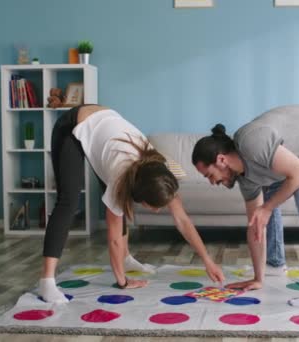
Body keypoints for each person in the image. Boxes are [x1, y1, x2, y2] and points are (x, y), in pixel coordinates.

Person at [40, 104, 225, 303]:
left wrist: (207, 260)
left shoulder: (159, 172)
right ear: (140, 195)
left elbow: (182, 220)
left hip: (105, 129)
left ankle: (126, 259)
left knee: (119, 201)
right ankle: (47, 281)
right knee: (68, 201)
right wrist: (123, 282)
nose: (157, 210)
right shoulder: (121, 177)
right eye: (154, 206)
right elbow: (113, 239)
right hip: (74, 125)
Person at [191, 104, 299, 308]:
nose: (211, 182)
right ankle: (275, 265)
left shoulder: (251, 142)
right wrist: (257, 278)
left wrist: (267, 207)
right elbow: (255, 225)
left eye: (210, 175)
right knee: (269, 196)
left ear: (221, 160)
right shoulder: (247, 180)